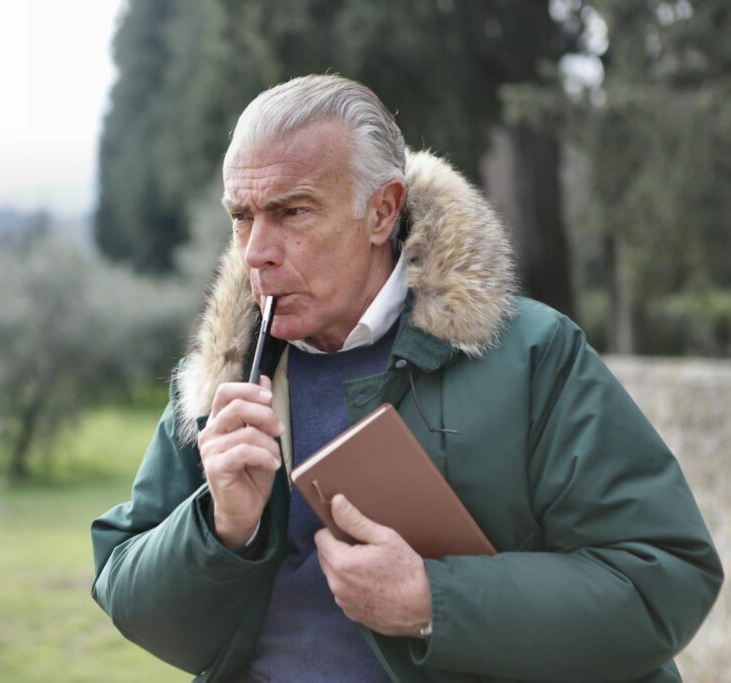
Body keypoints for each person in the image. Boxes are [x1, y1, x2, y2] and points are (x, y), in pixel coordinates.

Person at [90, 75, 723, 682]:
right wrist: (222, 528)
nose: (256, 251)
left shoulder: (532, 354)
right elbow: (130, 595)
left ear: (382, 212)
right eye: (242, 216)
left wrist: (433, 601)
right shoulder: (222, 376)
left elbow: (662, 580)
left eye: (292, 211)